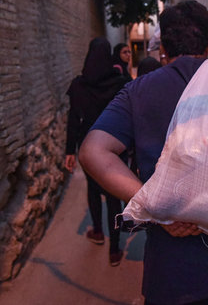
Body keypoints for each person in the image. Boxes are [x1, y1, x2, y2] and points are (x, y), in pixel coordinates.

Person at [79, 1, 208, 304]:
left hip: (179, 274)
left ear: (163, 47)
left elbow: (93, 152)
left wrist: (158, 207)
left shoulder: (139, 92)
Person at [64, 37, 129, 266]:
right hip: (114, 145)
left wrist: (69, 150)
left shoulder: (79, 85)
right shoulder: (119, 83)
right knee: (113, 196)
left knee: (93, 188)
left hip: (88, 146)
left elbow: (74, 119)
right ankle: (114, 250)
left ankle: (99, 232)